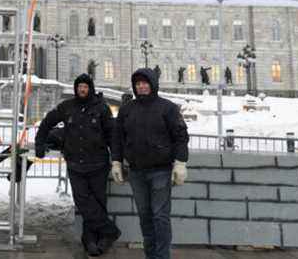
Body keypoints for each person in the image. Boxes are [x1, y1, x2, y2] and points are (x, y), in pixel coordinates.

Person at [35, 74, 120, 256]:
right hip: (76, 165)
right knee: (82, 201)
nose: (82, 90)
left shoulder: (102, 109)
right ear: (76, 89)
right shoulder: (67, 107)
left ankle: (93, 240)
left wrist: (117, 160)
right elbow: (47, 122)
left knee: (98, 202)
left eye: (85, 87)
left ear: (90, 88)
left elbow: (112, 135)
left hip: (98, 164)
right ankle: (109, 231)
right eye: (79, 86)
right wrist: (39, 143)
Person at [112, 68, 189, 259]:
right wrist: (116, 162)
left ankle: (162, 256)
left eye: (145, 83)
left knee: (160, 217)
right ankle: (151, 255)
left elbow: (181, 136)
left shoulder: (168, 108)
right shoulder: (127, 109)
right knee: (145, 217)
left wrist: (181, 162)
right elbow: (117, 138)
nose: (141, 86)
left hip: (160, 171)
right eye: (138, 84)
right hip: (136, 172)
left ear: (153, 84)